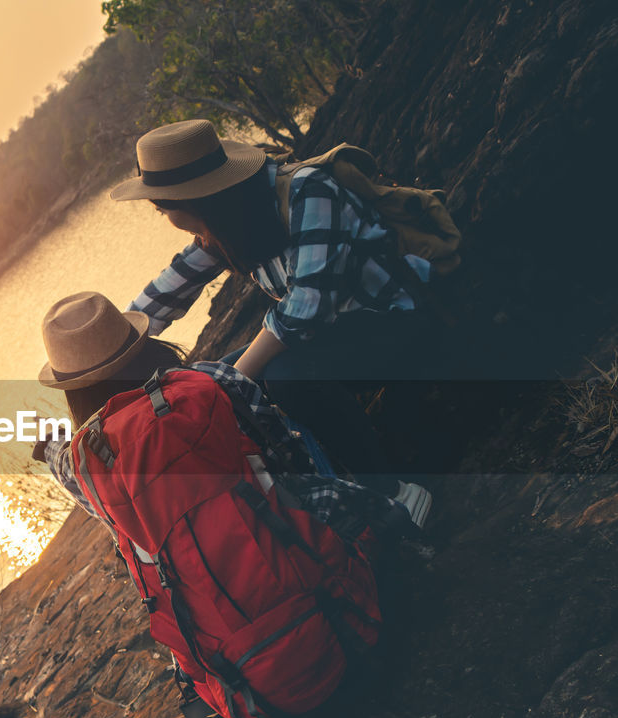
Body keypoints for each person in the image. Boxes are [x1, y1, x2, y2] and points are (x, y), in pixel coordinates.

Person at [110, 119, 436, 520]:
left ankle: (394, 492)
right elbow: (168, 290)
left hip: (395, 318)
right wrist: (110, 358)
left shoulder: (307, 191)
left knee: (277, 377)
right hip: (335, 333)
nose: (163, 216)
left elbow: (306, 307)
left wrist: (232, 382)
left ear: (193, 200)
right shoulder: (230, 217)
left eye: (162, 208)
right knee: (202, 382)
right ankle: (301, 503)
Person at [32, 291, 405, 530]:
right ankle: (393, 489)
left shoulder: (84, 467)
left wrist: (49, 442)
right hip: (299, 546)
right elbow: (285, 454)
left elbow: (62, 462)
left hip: (221, 620)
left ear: (74, 394)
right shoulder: (211, 380)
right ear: (142, 345)